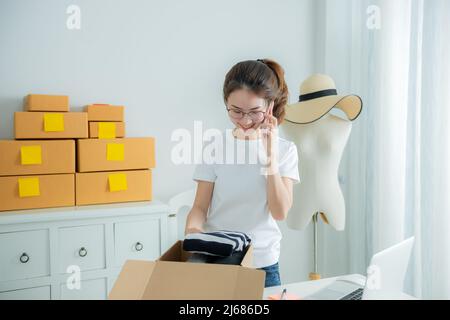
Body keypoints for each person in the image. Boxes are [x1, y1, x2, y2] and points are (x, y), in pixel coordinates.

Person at [184, 58, 300, 288]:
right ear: (226, 103)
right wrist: (194, 232)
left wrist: (269, 155)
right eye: (236, 111)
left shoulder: (285, 151)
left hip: (263, 265)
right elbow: (199, 207)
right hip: (217, 259)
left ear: (269, 106)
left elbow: (280, 212)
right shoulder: (215, 147)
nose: (245, 121)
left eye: (254, 112)